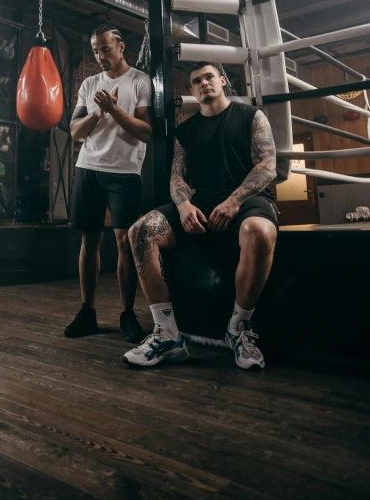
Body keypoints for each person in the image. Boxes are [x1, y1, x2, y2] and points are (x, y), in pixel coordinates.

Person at [124, 62, 279, 370]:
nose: (204, 83)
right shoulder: (186, 131)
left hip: (249, 201)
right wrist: (183, 206)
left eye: (210, 77)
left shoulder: (251, 116)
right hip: (202, 204)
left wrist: (234, 201)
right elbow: (177, 177)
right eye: (197, 81)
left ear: (222, 81)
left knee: (259, 231)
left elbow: (268, 166)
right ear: (192, 90)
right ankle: (168, 335)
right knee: (140, 231)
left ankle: (239, 330)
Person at [65, 24, 152, 342]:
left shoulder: (139, 81)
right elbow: (75, 131)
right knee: (89, 241)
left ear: (121, 47)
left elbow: (146, 131)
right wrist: (98, 113)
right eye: (95, 50)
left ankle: (128, 314)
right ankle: (87, 312)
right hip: (88, 168)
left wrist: (115, 109)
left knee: (124, 243)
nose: (100, 55)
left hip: (125, 172)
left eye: (104, 48)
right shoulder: (89, 84)